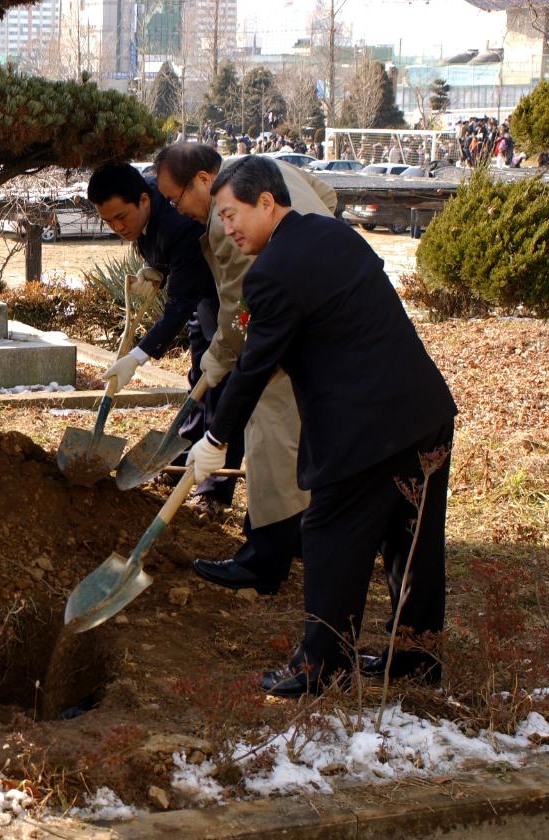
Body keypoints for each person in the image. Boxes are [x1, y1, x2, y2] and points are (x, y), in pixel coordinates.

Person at [186, 155, 455, 697]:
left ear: (268, 202)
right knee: (413, 539)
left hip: (363, 428)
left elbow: (256, 365)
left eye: (233, 214)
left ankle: (322, 664)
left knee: (329, 534)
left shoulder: (271, 274)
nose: (227, 228)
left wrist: (214, 439)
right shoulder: (334, 235)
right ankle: (416, 658)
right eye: (220, 217)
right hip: (424, 411)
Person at [153, 143, 337, 596]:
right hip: (323, 308)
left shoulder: (224, 215)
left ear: (203, 180)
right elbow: (327, 195)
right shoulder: (269, 170)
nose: (179, 211)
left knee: (268, 430)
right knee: (303, 436)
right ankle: (300, 539)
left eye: (177, 200)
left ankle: (263, 560)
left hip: (290, 331)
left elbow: (239, 310)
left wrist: (214, 365)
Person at [84, 163, 231, 511]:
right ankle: (182, 454)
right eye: (108, 222)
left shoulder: (178, 225)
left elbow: (179, 307)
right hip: (194, 291)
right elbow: (163, 257)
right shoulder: (142, 203)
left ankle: (213, 487)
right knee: (198, 375)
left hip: (222, 296)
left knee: (220, 387)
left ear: (145, 200)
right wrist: (157, 269)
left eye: (122, 217)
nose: (118, 227)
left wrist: (137, 358)